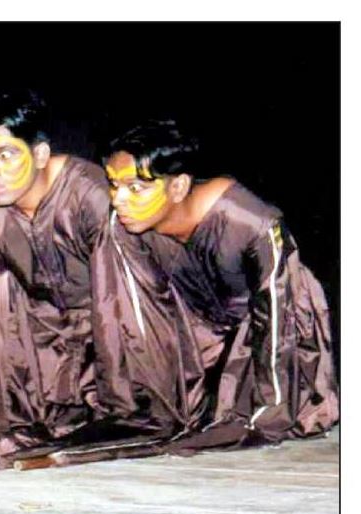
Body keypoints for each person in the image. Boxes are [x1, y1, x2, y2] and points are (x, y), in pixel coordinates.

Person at [0, 92, 200, 468]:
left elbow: (119, 303)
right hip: (47, 336)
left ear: (39, 154)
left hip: (124, 327)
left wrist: (127, 406)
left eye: (5, 155)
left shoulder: (90, 194)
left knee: (144, 419)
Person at [102, 119, 339, 447]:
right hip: (203, 328)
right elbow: (147, 315)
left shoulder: (250, 221)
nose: (118, 199)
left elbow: (277, 315)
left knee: (241, 423)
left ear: (178, 187)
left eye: (135, 188)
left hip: (275, 325)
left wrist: (269, 412)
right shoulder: (125, 227)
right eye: (114, 185)